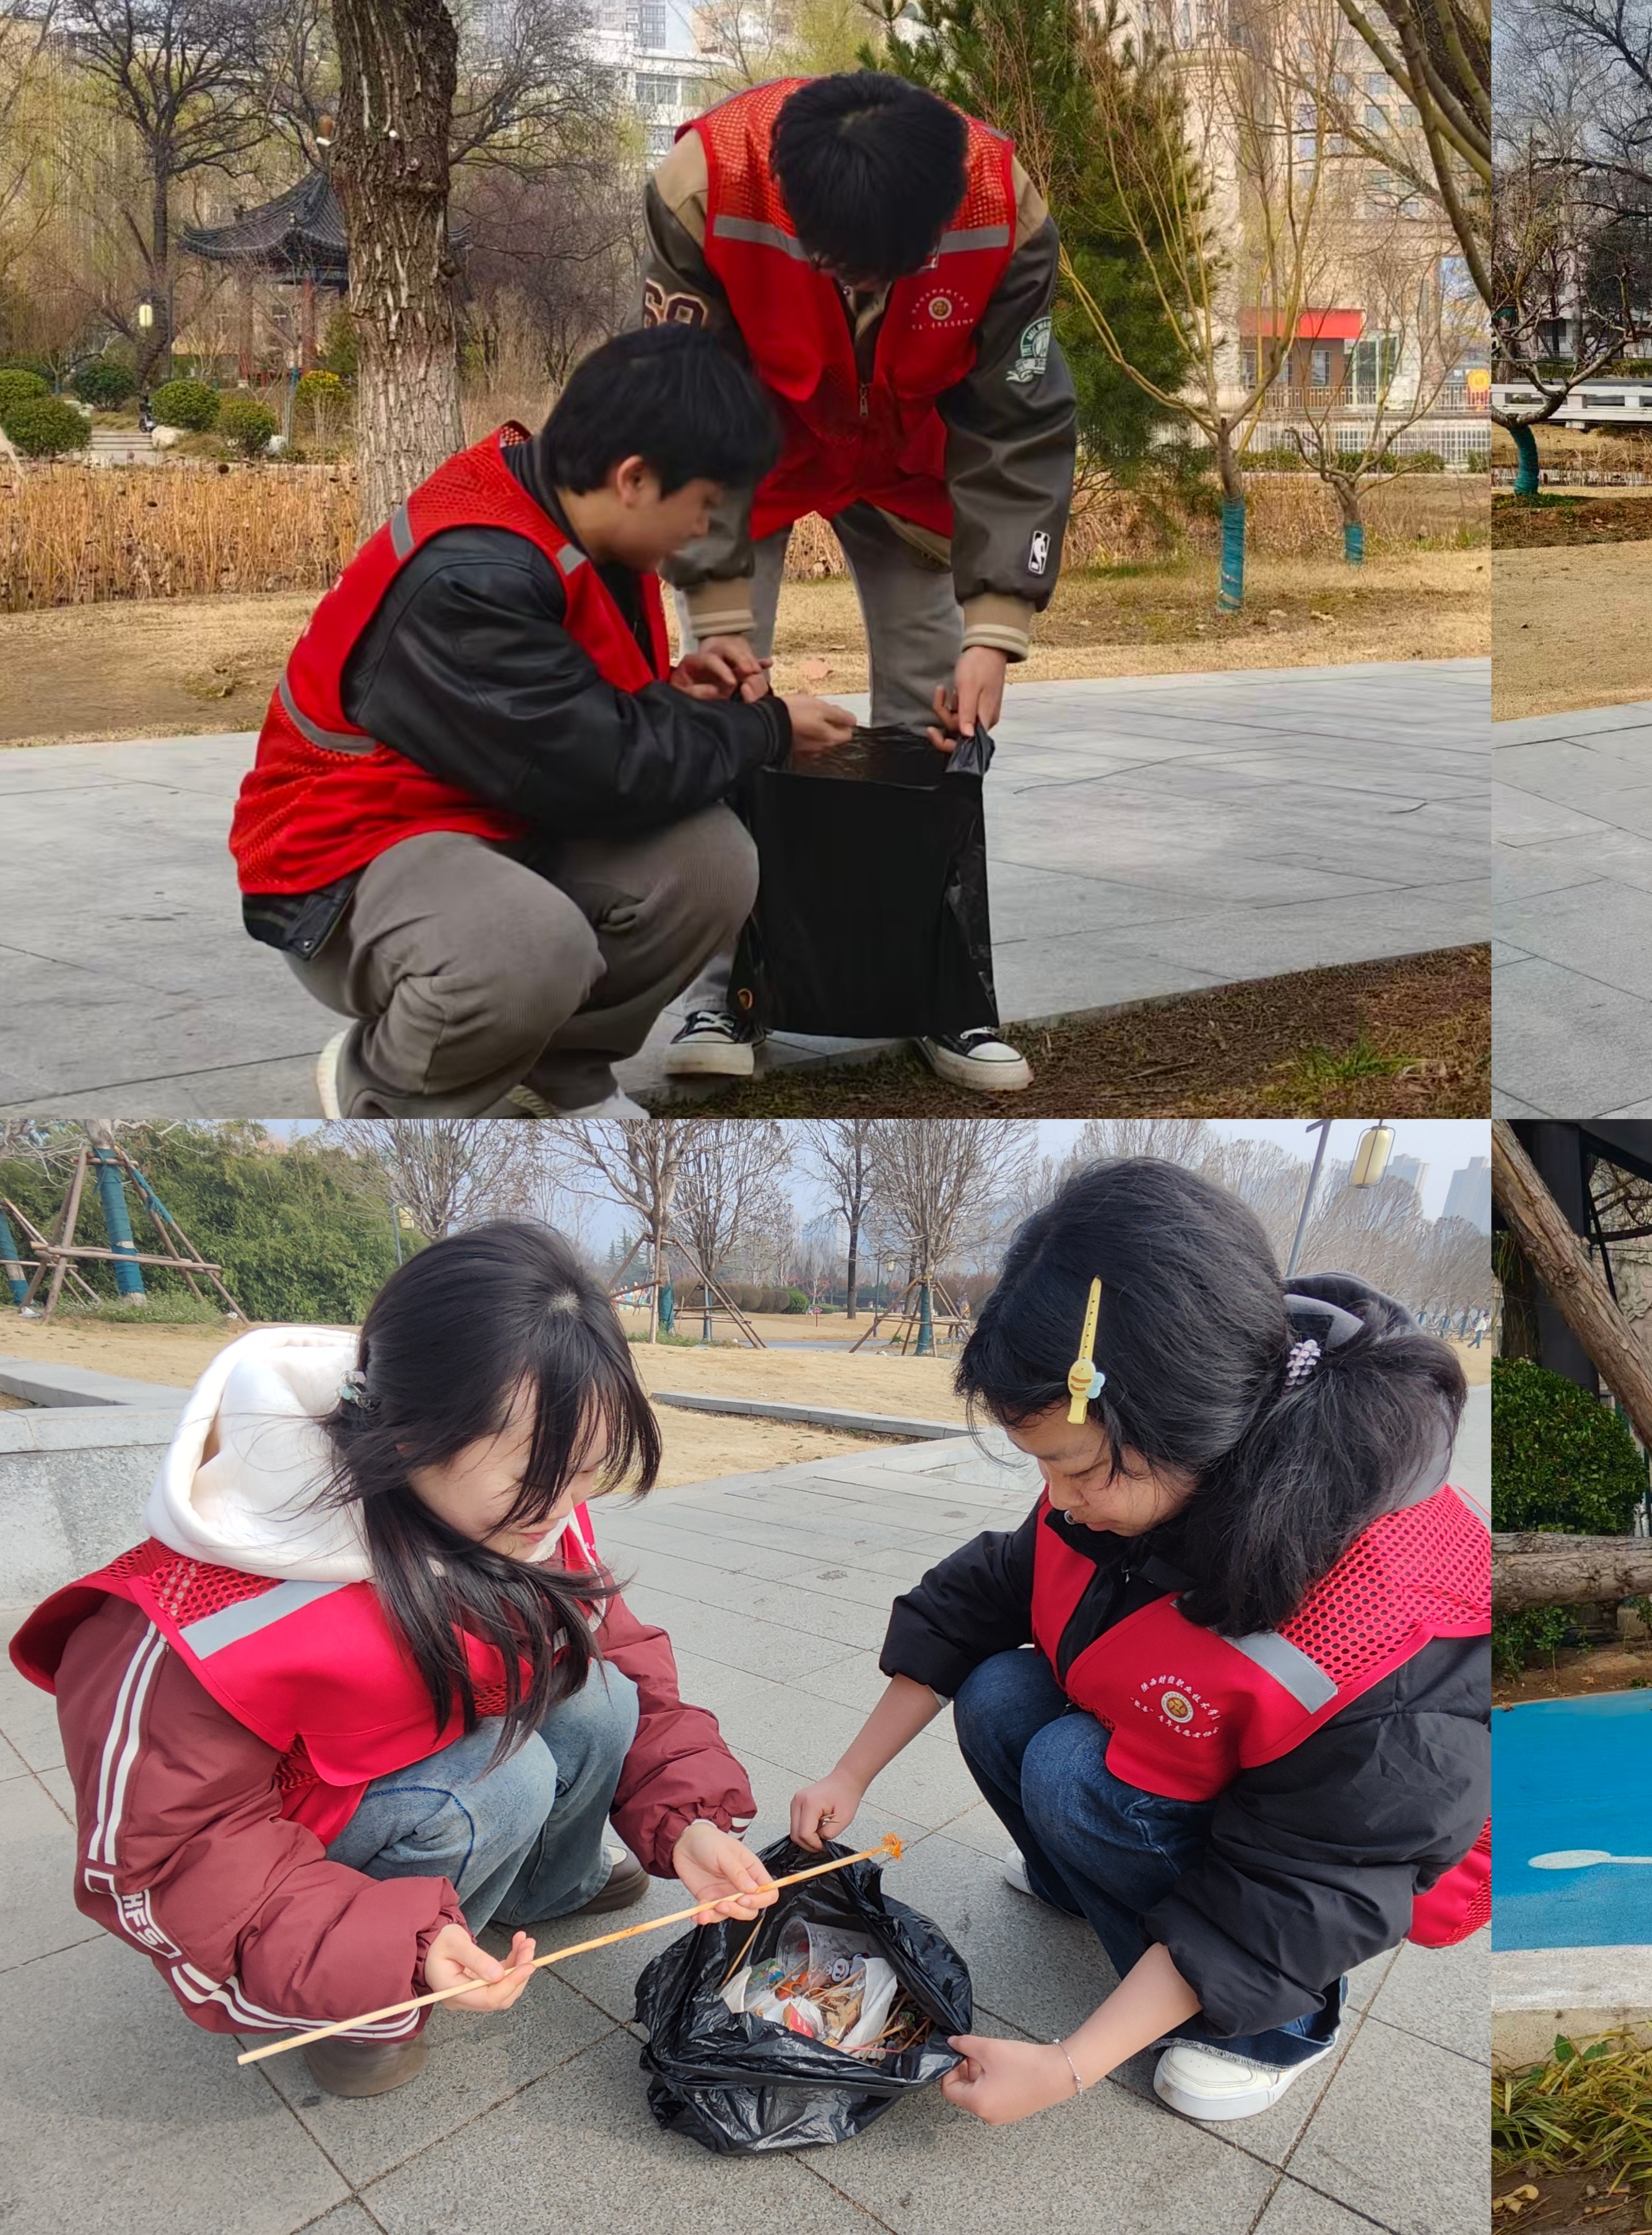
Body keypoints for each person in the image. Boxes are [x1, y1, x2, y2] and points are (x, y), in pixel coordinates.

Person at [786, 1157, 1490, 2125]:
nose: (1059, 1500)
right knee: (999, 1692)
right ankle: (1096, 1888)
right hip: (1202, 1763)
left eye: (1076, 1470)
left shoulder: (1384, 1603)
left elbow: (1320, 1879)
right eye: (1046, 1468)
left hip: (1328, 1856)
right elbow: (979, 1595)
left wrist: (1069, 2065)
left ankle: (1273, 2031)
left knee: (1075, 1771)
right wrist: (849, 1775)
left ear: (1181, 1416)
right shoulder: (1141, 1469)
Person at [7, 1224, 778, 2099]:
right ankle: (364, 2008)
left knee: (596, 1687)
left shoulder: (535, 1509)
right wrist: (386, 1948)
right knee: (506, 1780)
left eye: (588, 1471)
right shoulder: (215, 1600)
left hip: (418, 1749)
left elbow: (628, 1659)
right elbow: (168, 1859)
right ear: (412, 1434)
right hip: (303, 1843)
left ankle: (545, 1888)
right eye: (536, 1477)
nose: (563, 1510)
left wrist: (690, 1818)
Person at [226, 325, 859, 1120]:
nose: (706, 532)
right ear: (634, 478)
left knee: (712, 862)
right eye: (704, 507)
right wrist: (767, 729)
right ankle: (384, 1090)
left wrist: (673, 694)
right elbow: (605, 770)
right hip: (351, 860)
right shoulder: (473, 574)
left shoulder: (569, 517)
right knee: (527, 949)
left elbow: (562, 725)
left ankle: (553, 1068)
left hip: (493, 816)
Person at [644, 68, 1079, 1097]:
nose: (867, 294)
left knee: (938, 725)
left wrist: (996, 629)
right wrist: (713, 607)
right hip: (749, 455)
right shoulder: (703, 186)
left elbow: (1018, 419)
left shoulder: (1005, 210)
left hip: (911, 460)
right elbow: (682, 398)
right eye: (848, 270)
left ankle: (940, 994)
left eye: (896, 270)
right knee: (726, 708)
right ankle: (727, 991)